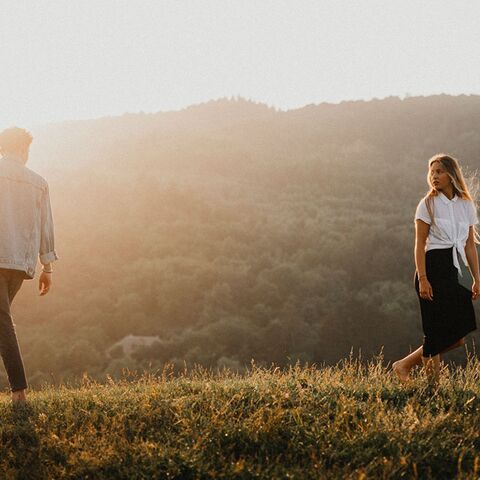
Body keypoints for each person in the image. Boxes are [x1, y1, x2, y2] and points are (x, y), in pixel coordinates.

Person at [392, 154, 480, 386]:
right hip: (430, 269)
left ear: (451, 174)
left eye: (439, 171)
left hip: (450, 271)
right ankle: (433, 390)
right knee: (435, 332)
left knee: (458, 334)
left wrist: (476, 278)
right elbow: (419, 244)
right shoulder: (427, 204)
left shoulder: (466, 205)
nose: (434, 176)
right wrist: (423, 278)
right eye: (432, 172)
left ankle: (404, 365)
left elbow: (470, 245)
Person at [0, 127, 58, 405]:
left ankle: (19, 392)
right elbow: (47, 228)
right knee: (0, 322)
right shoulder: (38, 182)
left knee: (2, 322)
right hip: (21, 263)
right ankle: (18, 390)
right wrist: (47, 268)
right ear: (23, 150)